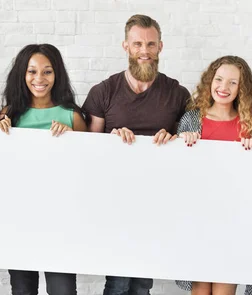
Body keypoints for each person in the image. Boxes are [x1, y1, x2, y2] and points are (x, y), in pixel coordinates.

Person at [81, 14, 190, 295]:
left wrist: (175, 138)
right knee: (117, 281)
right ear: (125, 47)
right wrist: (111, 139)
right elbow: (88, 149)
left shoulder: (177, 93)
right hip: (114, 197)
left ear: (161, 47)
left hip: (158, 198)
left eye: (151, 44)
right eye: (138, 44)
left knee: (143, 281)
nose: (145, 51)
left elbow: (192, 144)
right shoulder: (103, 91)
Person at [0, 43, 86, 295]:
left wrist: (71, 138)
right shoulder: (9, 115)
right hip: (20, 218)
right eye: (32, 71)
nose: (39, 79)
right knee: (22, 291)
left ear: (57, 75)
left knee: (63, 291)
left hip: (61, 219)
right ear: (23, 75)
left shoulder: (72, 116)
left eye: (47, 71)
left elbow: (86, 169)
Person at [173, 55, 252, 295]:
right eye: (219, 79)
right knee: (201, 287)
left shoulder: (249, 124)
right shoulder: (192, 119)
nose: (224, 87)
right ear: (210, 81)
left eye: (233, 82)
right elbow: (175, 172)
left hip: (234, 221)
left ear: (242, 88)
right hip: (199, 219)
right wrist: (181, 143)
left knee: (225, 286)